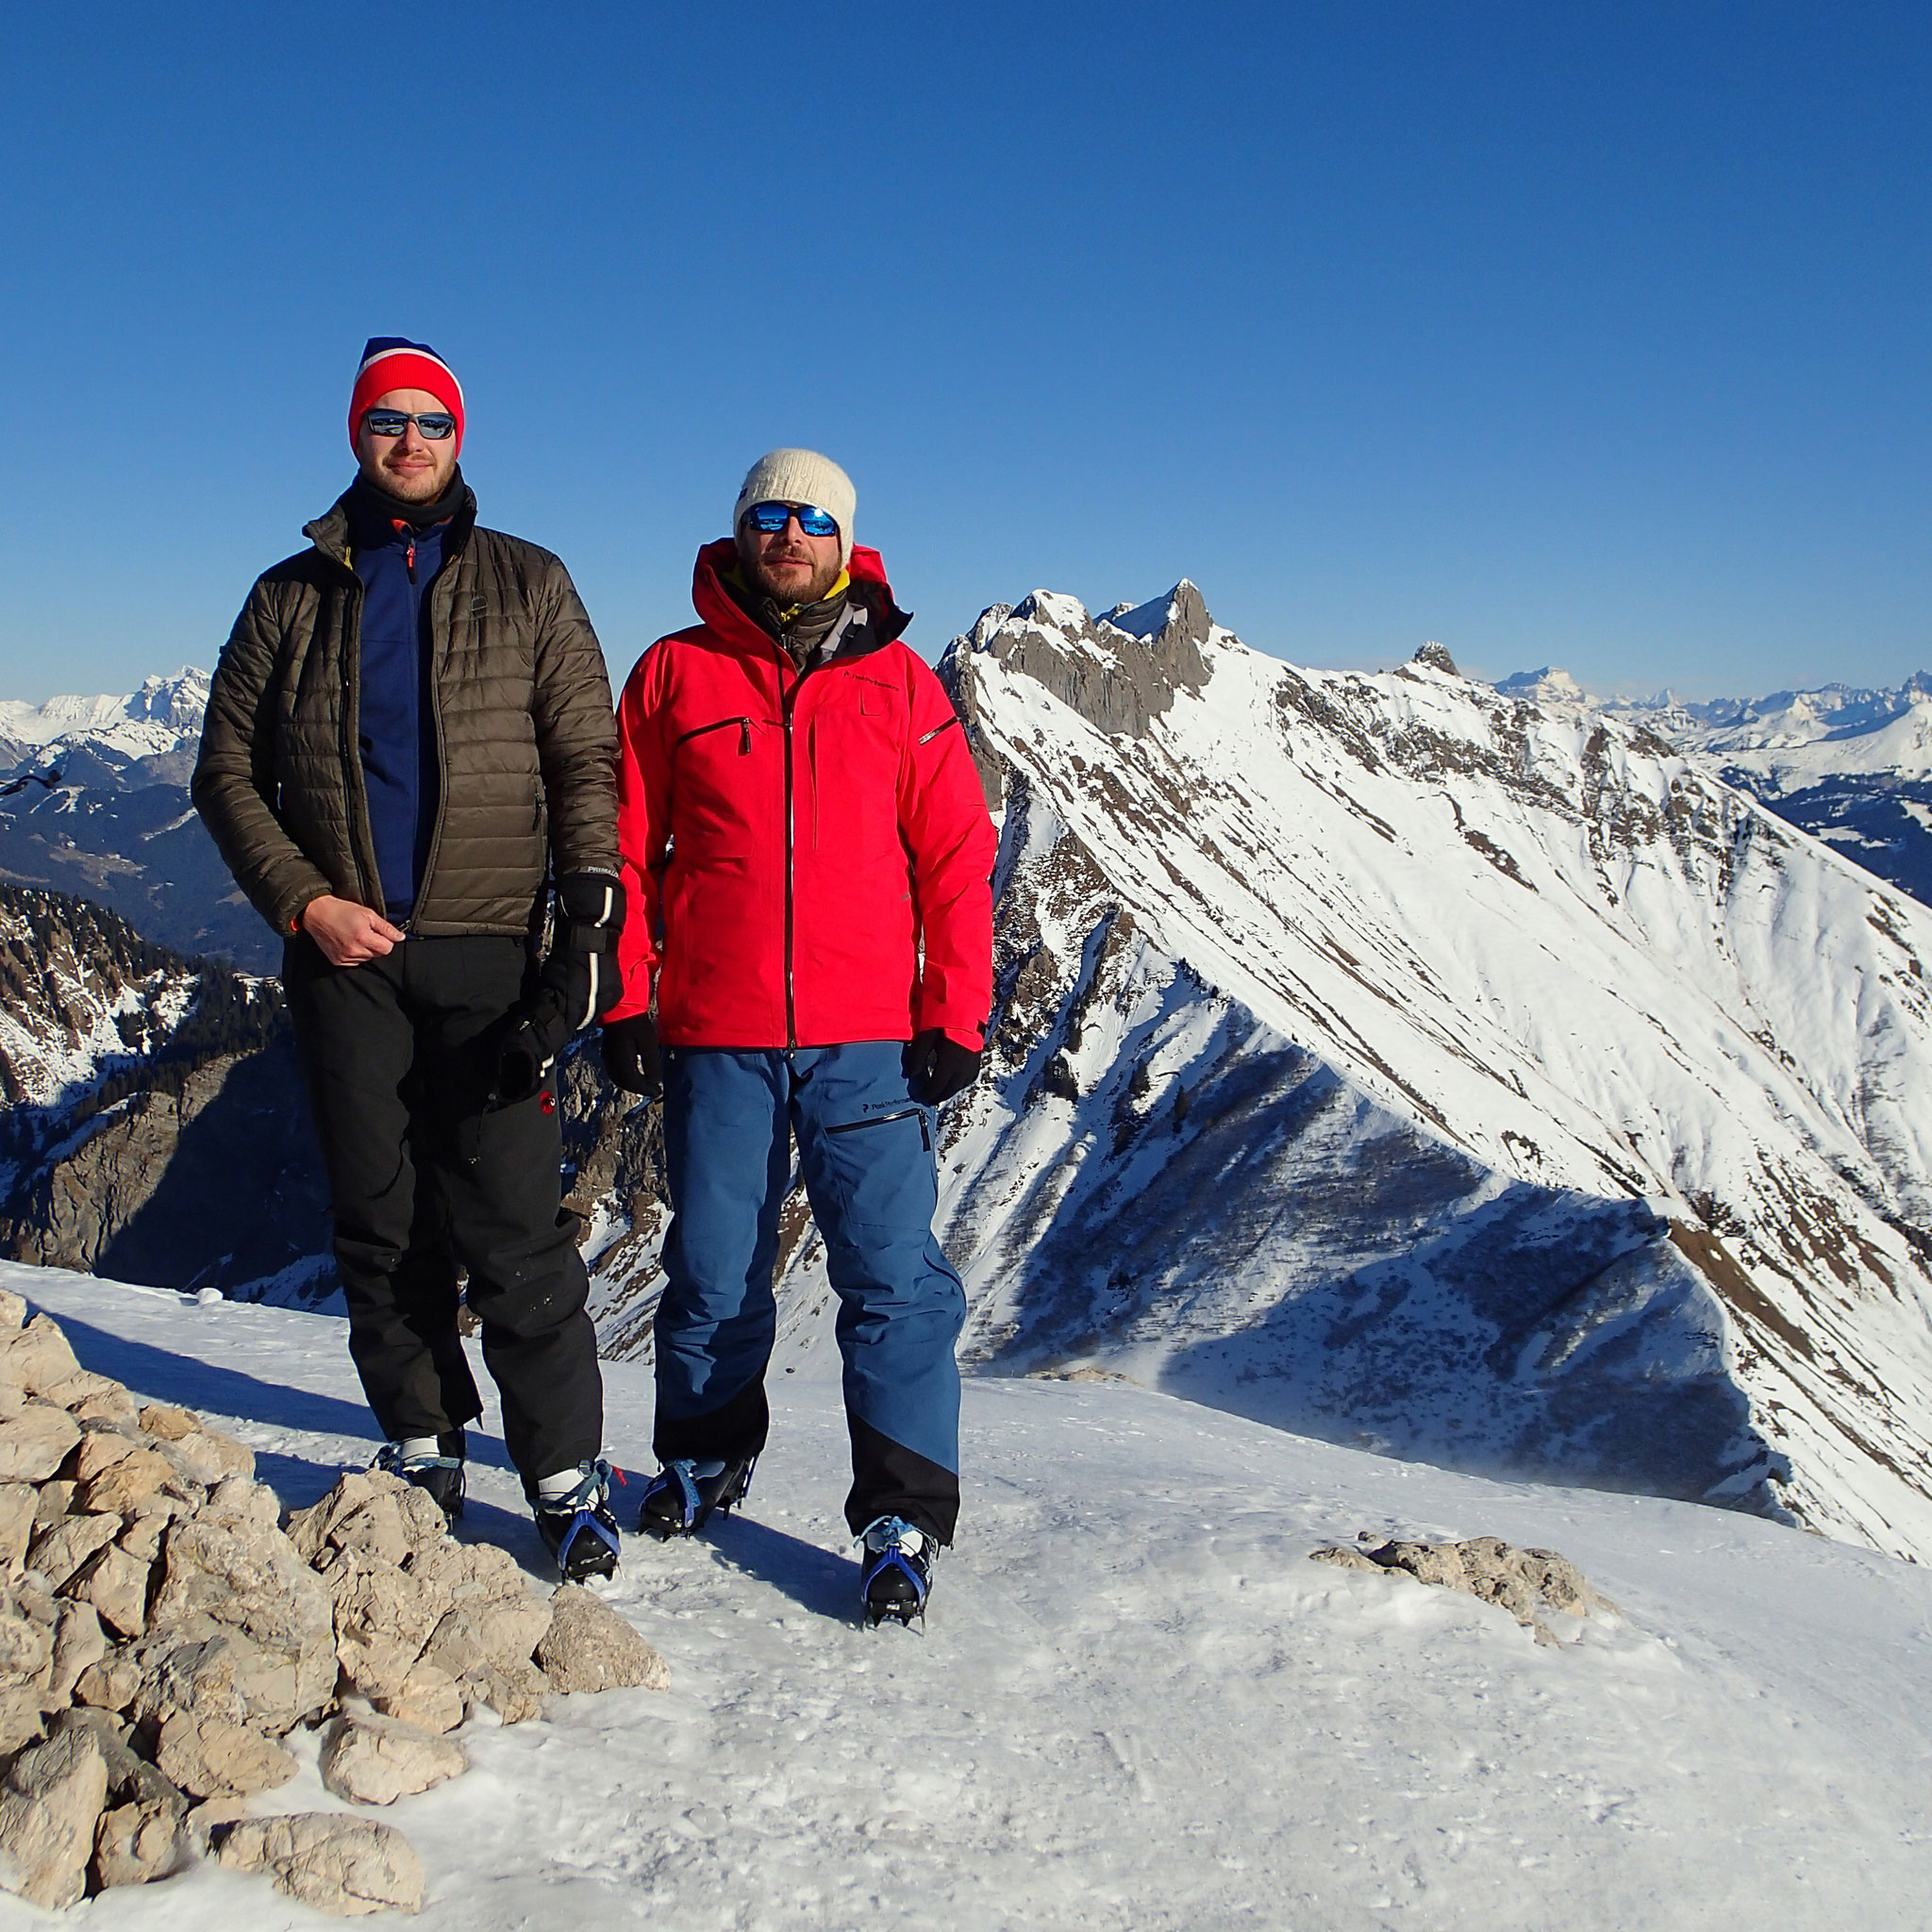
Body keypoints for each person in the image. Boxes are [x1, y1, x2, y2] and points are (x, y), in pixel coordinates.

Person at [193, 336, 626, 1579]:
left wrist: (582, 921)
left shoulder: (530, 584)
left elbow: (581, 765)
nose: (411, 440)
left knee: (513, 1227)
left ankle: (563, 1474)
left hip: (490, 950)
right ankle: (425, 1442)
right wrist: (304, 904)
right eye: (388, 419)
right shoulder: (291, 595)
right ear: (355, 434)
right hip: (346, 959)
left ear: (461, 436)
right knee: (380, 1219)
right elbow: (225, 773)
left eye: (431, 420)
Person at [603, 449, 997, 1624]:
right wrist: (626, 997)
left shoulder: (901, 686)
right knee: (715, 1265)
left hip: (866, 1039)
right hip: (716, 1030)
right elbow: (623, 850)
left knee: (891, 1277)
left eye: (810, 518)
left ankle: (901, 1513)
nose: (788, 534)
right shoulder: (673, 674)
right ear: (738, 533)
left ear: (844, 540)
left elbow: (956, 858)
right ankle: (704, 1453)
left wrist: (956, 1012)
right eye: (767, 516)